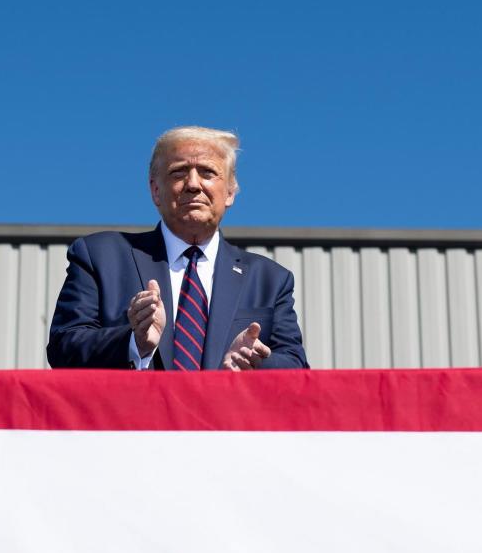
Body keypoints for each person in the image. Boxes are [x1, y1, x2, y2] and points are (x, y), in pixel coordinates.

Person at [47, 126, 308, 371]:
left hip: (225, 418)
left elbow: (297, 368)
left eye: (207, 172)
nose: (193, 184)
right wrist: (134, 343)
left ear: (230, 192)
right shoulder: (100, 256)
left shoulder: (270, 280)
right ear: (156, 190)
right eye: (178, 172)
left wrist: (256, 360)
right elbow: (63, 348)